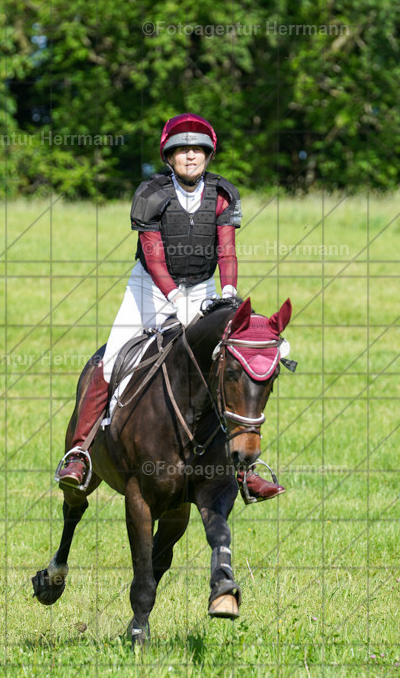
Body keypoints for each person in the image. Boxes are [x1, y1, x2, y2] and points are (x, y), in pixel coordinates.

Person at [56, 113, 285, 502]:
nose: (191, 156)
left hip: (203, 289)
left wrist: (228, 292)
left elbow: (226, 249)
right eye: (183, 151)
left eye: (198, 150)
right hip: (148, 289)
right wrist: (174, 300)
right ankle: (79, 452)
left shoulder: (223, 194)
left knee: (223, 366)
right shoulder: (151, 194)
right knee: (110, 361)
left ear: (208, 155)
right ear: (169, 156)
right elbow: (154, 256)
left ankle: (243, 472)